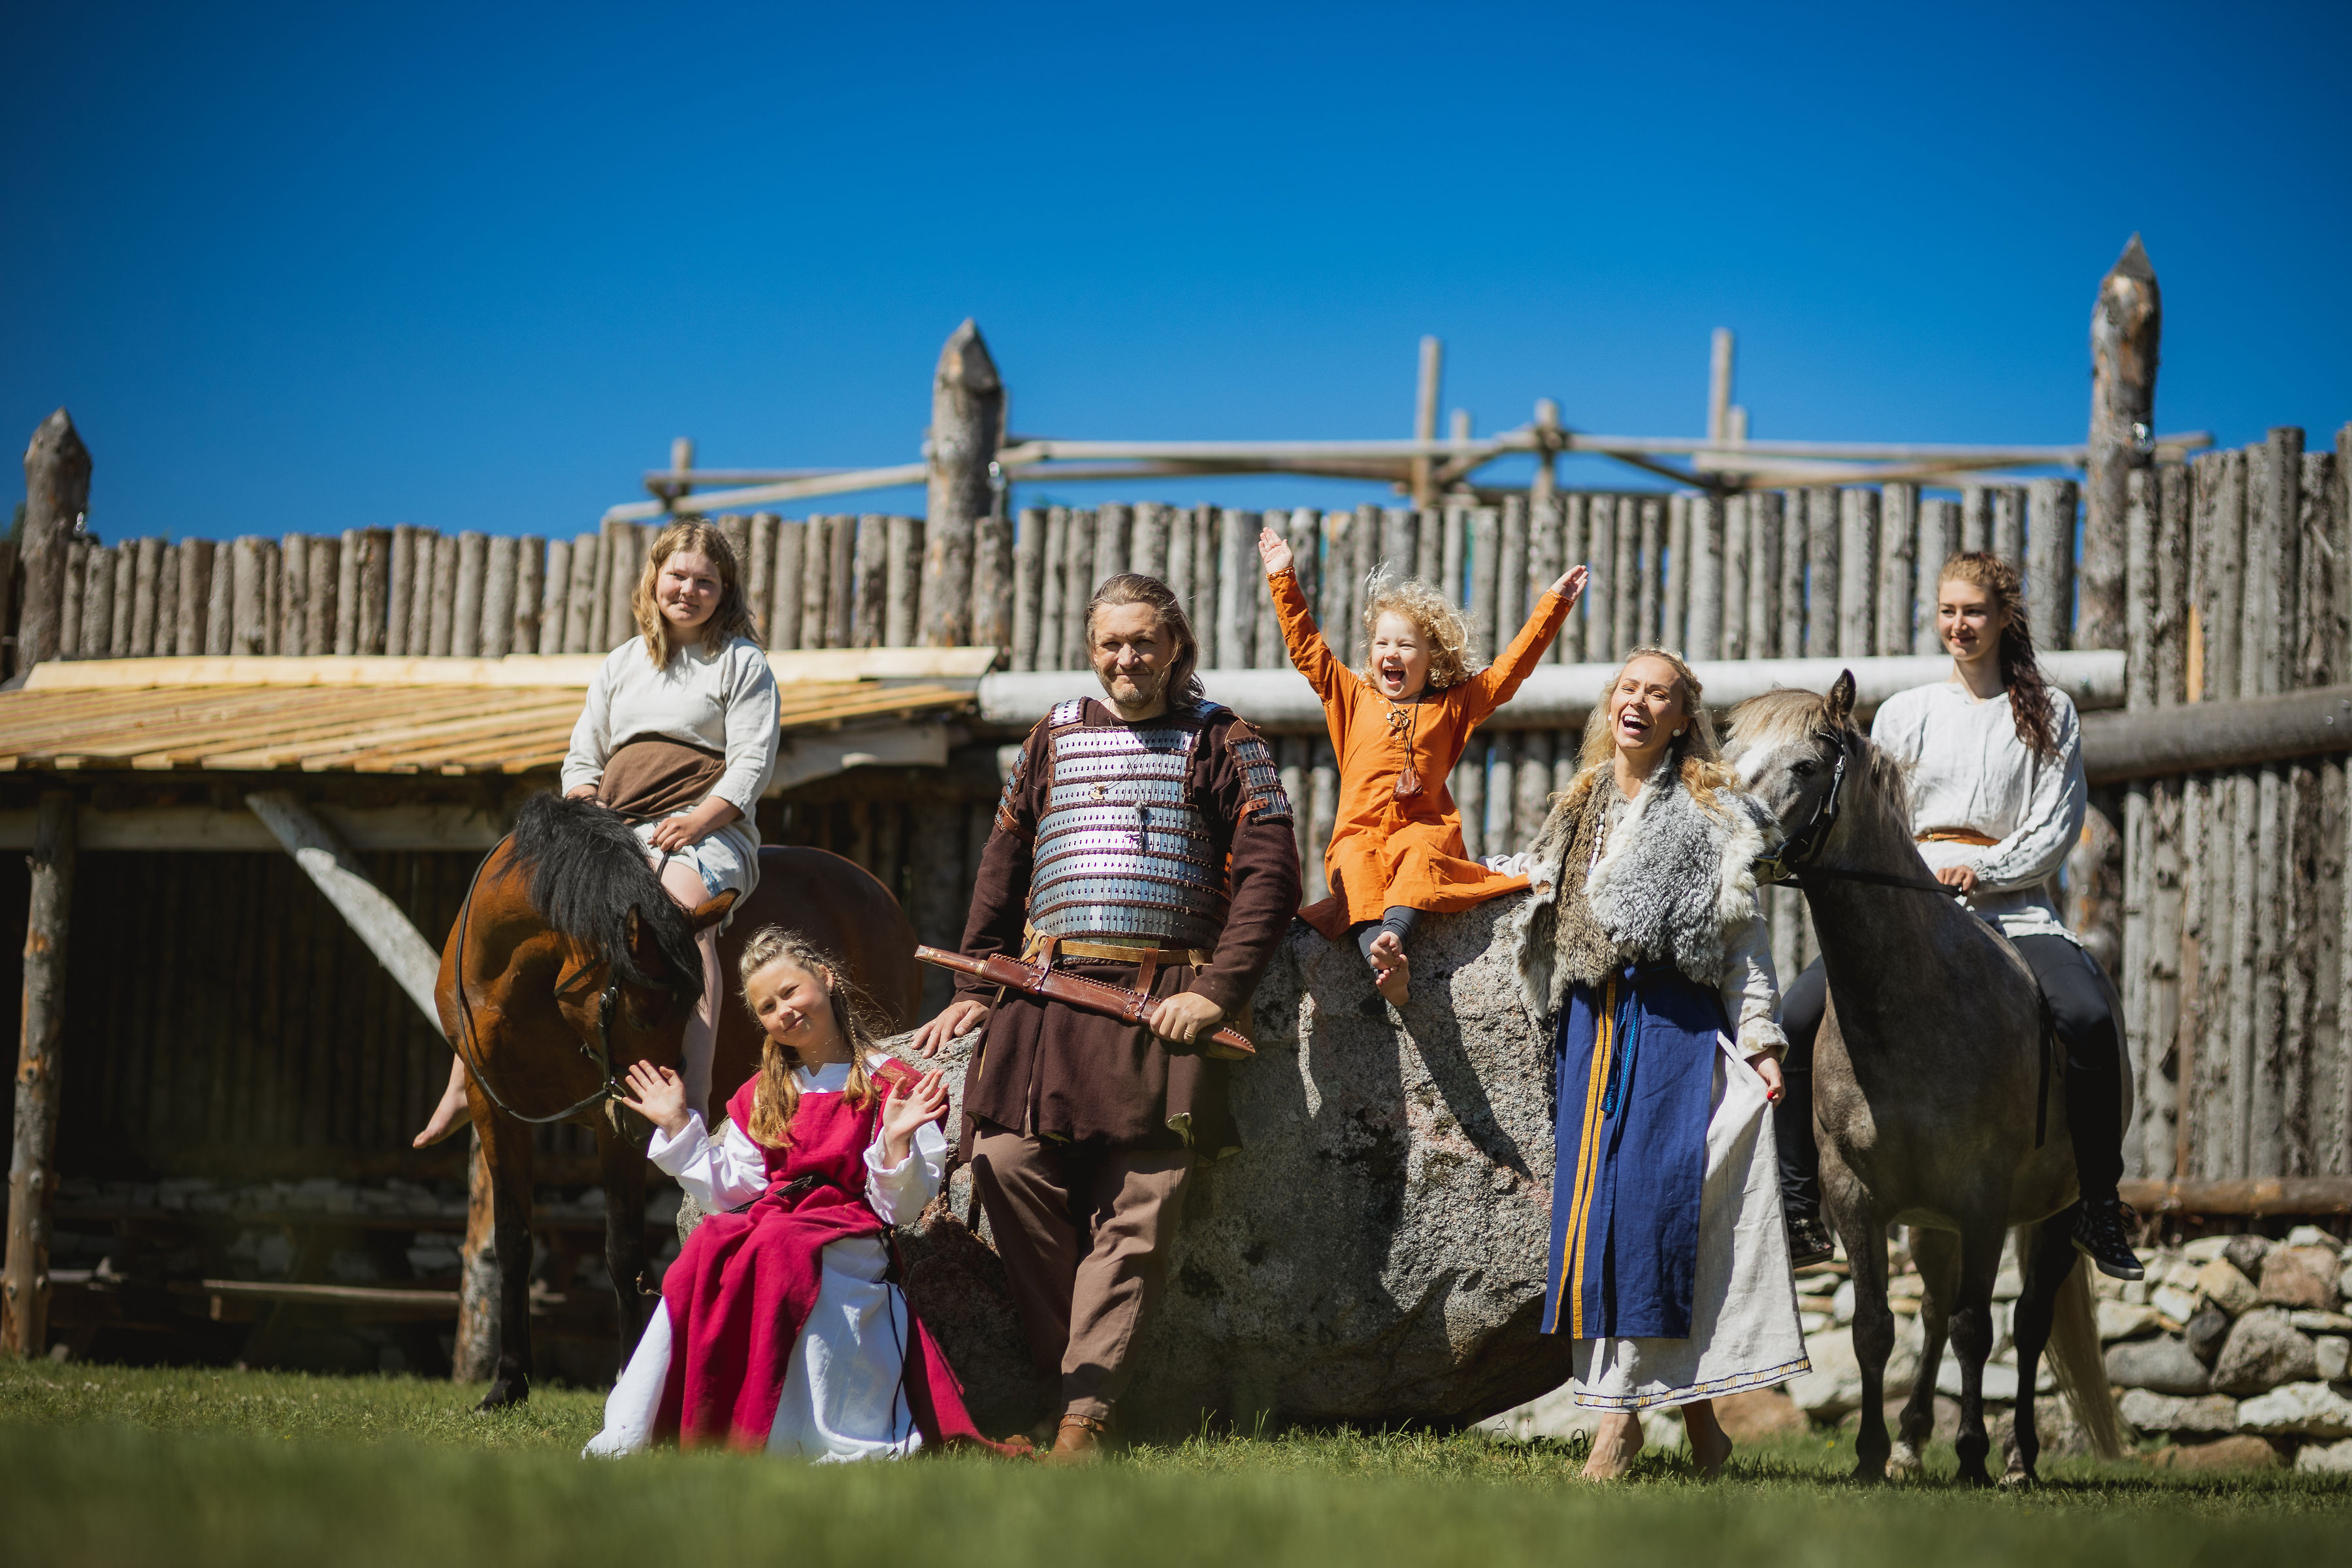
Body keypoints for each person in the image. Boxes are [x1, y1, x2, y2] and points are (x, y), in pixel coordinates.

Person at [909, 572, 1301, 1463]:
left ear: (1176, 647)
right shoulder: (1054, 732)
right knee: (1006, 1164)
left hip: (1160, 1009)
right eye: (1111, 644)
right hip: (1045, 1004)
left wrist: (1215, 992)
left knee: (1140, 1204)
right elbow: (1005, 860)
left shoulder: (1225, 739)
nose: (1128, 658)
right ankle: (1079, 1382)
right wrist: (976, 985)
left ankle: (1083, 1419)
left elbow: (1272, 874)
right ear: (1092, 651)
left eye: (1144, 642)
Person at [1773, 551, 2142, 1281]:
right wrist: (1911, 874)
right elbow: (1877, 813)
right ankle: (1797, 1207)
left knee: (2090, 1017)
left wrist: (1988, 867)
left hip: (2015, 909)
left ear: (2005, 617)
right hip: (1909, 911)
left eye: (1974, 611)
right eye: (1948, 611)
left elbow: (2057, 825)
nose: (1959, 625)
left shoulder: (2050, 712)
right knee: (1792, 1018)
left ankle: (2100, 1204)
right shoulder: (1907, 712)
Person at [1507, 647, 1806, 1481]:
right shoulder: (1578, 808)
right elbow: (1534, 896)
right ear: (1611, 704)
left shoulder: (1715, 815)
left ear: (1683, 717)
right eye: (1629, 689)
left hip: (1672, 1027)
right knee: (1596, 1224)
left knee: (1654, 1217)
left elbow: (1744, 941)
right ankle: (1703, 1430)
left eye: (1659, 695)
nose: (1639, 703)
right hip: (1589, 1032)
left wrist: (1764, 1040)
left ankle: (1615, 1427)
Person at [585, 927, 1016, 1458]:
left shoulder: (892, 1083)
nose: (784, 1010)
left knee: (780, 1245)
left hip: (850, 1233)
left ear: (826, 978)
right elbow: (730, 1191)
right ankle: (667, 1424)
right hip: (777, 1222)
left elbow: (898, 1208)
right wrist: (678, 1125)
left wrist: (897, 1140)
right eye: (768, 1006)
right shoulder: (764, 1091)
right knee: (707, 1246)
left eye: (790, 992)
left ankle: (777, 1434)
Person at [416, 519, 779, 1147]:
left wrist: (700, 818)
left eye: (706, 582)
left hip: (702, 826)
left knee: (688, 920)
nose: (689, 590)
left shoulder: (741, 663)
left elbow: (753, 760)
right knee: (524, 911)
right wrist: (583, 800)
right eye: (678, 577)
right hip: (615, 822)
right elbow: (584, 752)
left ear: (726, 591)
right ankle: (463, 1081)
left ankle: (694, 1092)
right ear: (654, 579)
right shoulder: (623, 662)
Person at [1259, 526, 1587, 1005]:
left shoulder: (1453, 706)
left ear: (1432, 657)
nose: (1392, 654)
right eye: (1382, 644)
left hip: (1424, 827)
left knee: (1417, 858)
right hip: (1359, 830)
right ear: (1371, 655)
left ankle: (1393, 937)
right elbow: (1307, 647)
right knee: (1353, 866)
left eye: (1407, 645)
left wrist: (1552, 606)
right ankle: (1382, 959)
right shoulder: (1350, 695)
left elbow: (1509, 670)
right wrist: (1282, 576)